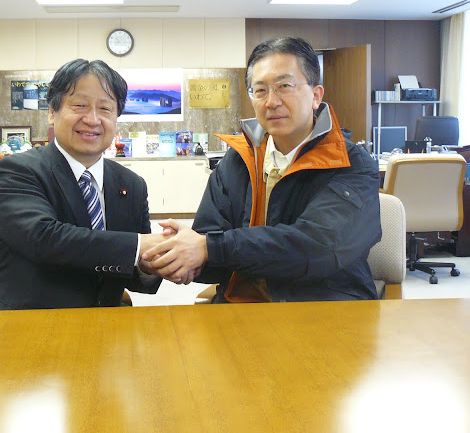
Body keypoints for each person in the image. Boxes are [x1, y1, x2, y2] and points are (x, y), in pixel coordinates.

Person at [144, 37, 382, 303]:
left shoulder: (351, 164)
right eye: (260, 90)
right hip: (241, 307)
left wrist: (209, 248)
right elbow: (209, 241)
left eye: (284, 86)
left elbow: (317, 248)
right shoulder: (238, 160)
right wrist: (182, 256)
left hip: (324, 307)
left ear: (316, 96)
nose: (271, 102)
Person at [0, 59, 186, 310]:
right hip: (28, 322)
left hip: (105, 325)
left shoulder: (132, 185)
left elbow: (130, 270)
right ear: (52, 112)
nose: (92, 119)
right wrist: (138, 246)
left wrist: (155, 260)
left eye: (105, 108)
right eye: (79, 105)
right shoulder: (18, 171)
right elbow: (44, 239)